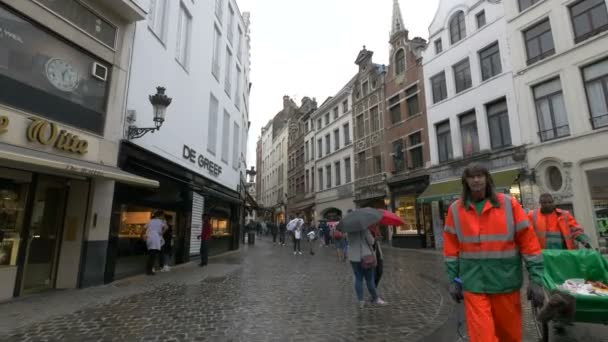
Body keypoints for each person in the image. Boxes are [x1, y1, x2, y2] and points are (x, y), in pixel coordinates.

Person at [444, 163, 545, 342]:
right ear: (465, 181)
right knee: (482, 336)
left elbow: (528, 242)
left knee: (510, 336)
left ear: (487, 179)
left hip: (505, 283)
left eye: (480, 175)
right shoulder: (455, 210)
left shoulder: (509, 204)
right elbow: (451, 250)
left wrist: (536, 279)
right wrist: (453, 280)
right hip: (474, 284)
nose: (476, 180)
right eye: (471, 176)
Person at [348, 228, 386, 308]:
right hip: (366, 257)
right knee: (369, 279)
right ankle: (376, 298)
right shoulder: (364, 229)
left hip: (353, 258)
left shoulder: (349, 230)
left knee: (358, 279)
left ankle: (361, 301)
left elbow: (349, 241)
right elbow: (371, 241)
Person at [144, 210, 168, 275]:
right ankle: (150, 270)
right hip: (155, 239)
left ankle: (150, 269)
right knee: (153, 255)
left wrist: (143, 236)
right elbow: (166, 228)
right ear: (160, 215)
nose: (163, 216)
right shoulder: (161, 221)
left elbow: (144, 228)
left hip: (149, 239)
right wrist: (161, 233)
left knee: (151, 254)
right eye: (162, 215)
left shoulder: (150, 221)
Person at [369, 224, 384, 288]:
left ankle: (374, 288)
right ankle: (373, 291)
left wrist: (379, 237)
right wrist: (375, 239)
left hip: (378, 251)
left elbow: (379, 237)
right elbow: (369, 241)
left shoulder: (376, 226)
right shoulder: (366, 227)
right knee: (373, 273)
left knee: (380, 272)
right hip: (370, 253)